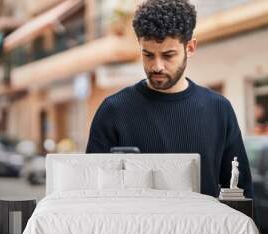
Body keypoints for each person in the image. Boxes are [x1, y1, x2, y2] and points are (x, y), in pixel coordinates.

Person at [85, 0, 253, 198]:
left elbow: (240, 190)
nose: (157, 66)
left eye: (168, 55)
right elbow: (92, 193)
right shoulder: (113, 110)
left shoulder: (219, 109)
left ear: (190, 48)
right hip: (136, 227)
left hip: (203, 228)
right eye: (148, 55)